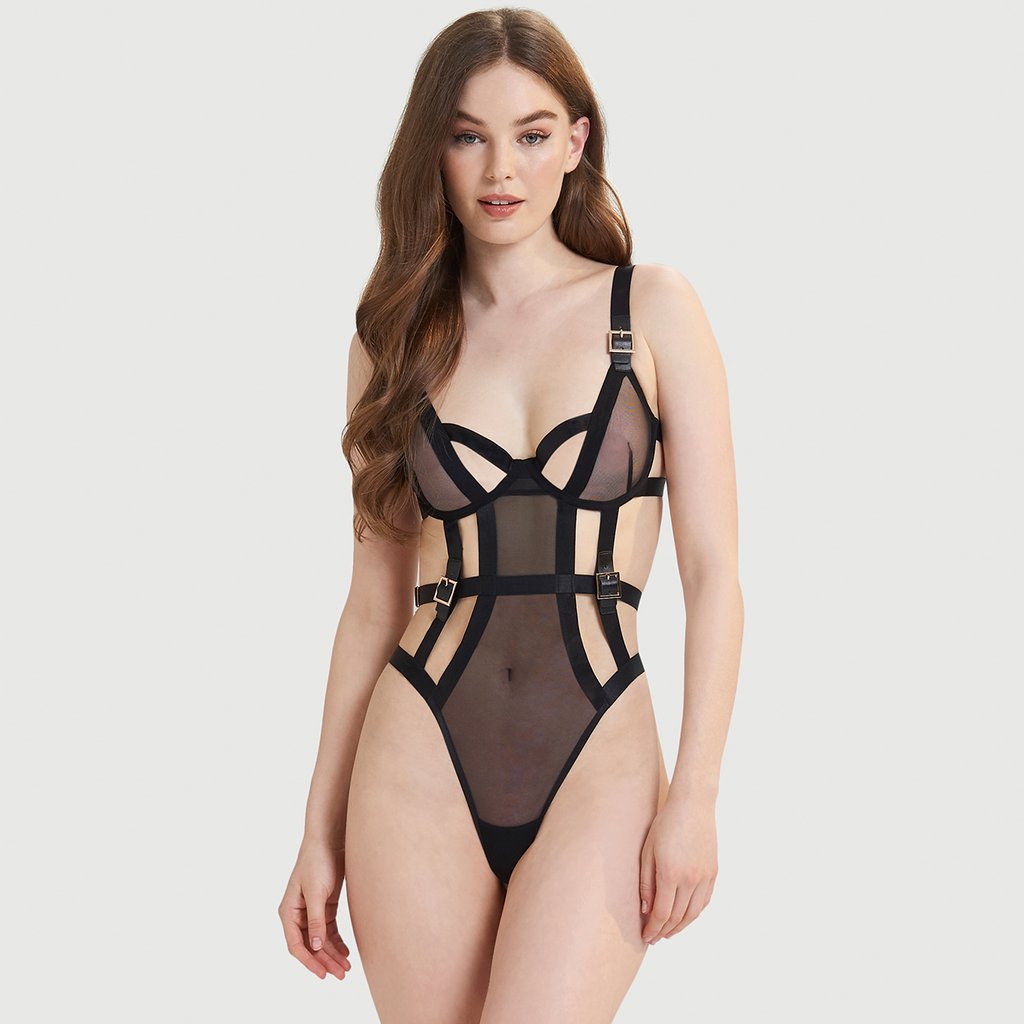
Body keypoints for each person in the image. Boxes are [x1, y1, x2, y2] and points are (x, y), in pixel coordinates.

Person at [279, 9, 743, 1022]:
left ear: (576, 141)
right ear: (432, 150)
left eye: (531, 134)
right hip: (416, 750)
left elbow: (714, 575)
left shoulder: (652, 309)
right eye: (467, 135)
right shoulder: (391, 343)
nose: (501, 169)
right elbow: (372, 605)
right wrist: (316, 830)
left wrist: (697, 797)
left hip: (600, 746)